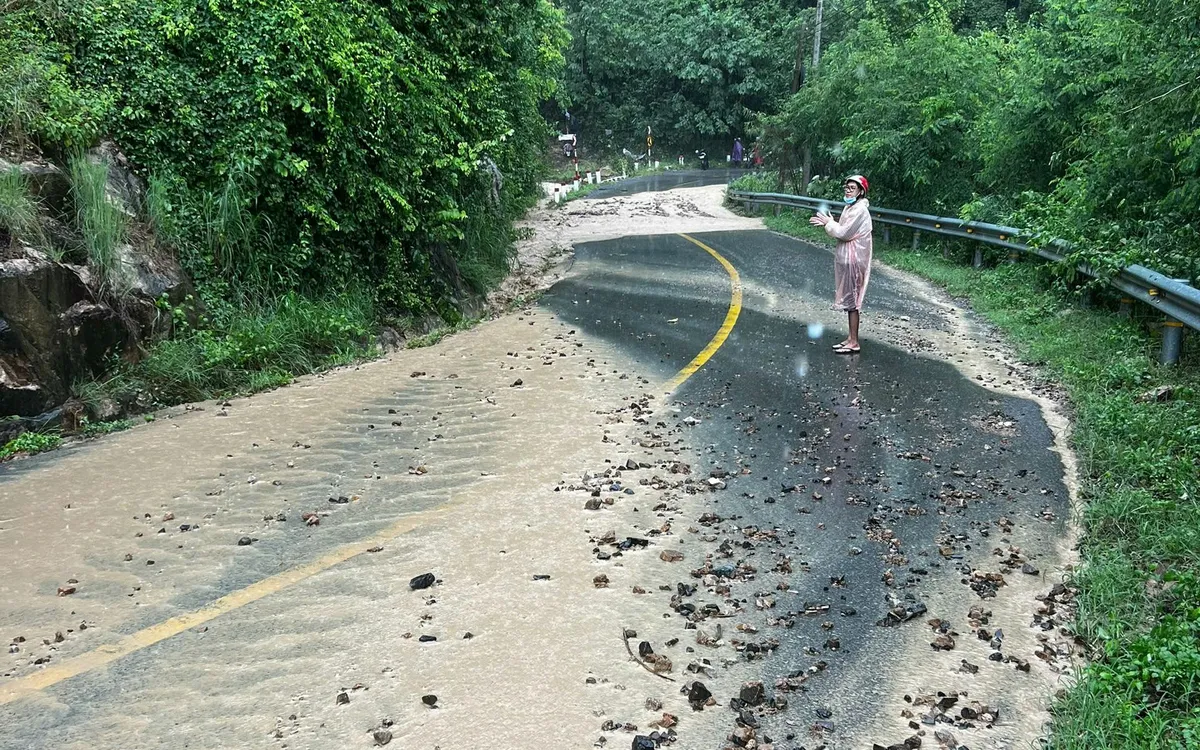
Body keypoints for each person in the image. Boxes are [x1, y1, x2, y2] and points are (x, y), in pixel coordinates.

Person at [810, 175, 873, 354]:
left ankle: (854, 341)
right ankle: (851, 338)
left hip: (854, 260)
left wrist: (829, 223)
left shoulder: (860, 210)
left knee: (852, 301)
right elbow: (844, 230)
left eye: (852, 188)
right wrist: (831, 223)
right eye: (846, 187)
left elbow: (844, 233)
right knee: (849, 299)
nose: (848, 190)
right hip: (848, 258)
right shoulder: (850, 208)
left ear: (861, 191)